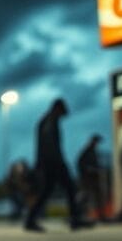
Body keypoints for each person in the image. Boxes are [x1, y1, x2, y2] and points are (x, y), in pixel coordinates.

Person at [25, 98, 89, 232]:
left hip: (48, 162)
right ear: (58, 109)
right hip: (53, 162)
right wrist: (59, 162)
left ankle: (30, 220)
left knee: (47, 191)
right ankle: (75, 219)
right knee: (70, 188)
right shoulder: (50, 121)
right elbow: (50, 145)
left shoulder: (46, 120)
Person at [77, 134, 106, 221]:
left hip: (93, 177)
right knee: (86, 196)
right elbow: (80, 163)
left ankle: (101, 215)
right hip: (88, 178)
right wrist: (88, 170)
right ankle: (78, 213)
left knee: (97, 196)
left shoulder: (92, 151)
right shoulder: (87, 151)